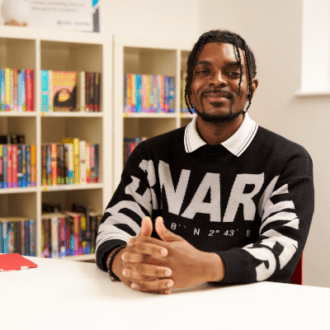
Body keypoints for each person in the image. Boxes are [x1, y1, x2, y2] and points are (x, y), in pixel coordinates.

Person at [95, 29, 314, 294]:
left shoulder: (288, 160)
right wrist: (122, 263)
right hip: (163, 302)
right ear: (189, 85)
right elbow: (114, 225)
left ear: (251, 88)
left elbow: (282, 249)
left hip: (252, 307)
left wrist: (204, 266)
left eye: (233, 73)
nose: (217, 81)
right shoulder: (150, 155)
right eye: (203, 72)